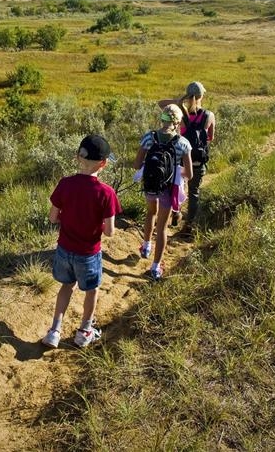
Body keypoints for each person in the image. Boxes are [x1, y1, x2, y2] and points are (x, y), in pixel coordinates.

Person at [41, 134, 122, 349]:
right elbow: (110, 232)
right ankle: (85, 330)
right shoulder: (106, 193)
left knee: (66, 286)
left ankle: (54, 331)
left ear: (78, 157)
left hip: (64, 249)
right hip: (88, 253)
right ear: (103, 163)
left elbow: (52, 217)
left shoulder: (65, 184)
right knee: (92, 290)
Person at [134, 104, 192, 281]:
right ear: (178, 122)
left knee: (151, 212)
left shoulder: (148, 138)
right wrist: (176, 170)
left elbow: (136, 165)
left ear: (162, 119)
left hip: (150, 184)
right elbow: (189, 174)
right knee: (162, 227)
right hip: (168, 189)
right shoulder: (183, 143)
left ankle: (145, 246)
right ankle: (155, 266)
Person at [157, 81, 215, 226]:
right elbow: (211, 137)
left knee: (177, 187)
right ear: (201, 96)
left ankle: (176, 213)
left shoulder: (180, 114)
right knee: (194, 193)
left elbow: (161, 103)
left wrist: (178, 102)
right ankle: (189, 226)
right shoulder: (209, 115)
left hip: (180, 160)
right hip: (198, 160)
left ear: (188, 95)